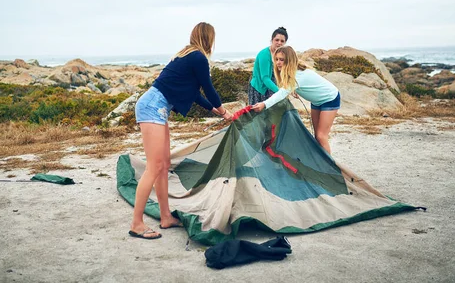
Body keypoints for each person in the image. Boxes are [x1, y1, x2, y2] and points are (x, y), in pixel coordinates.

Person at [129, 22, 233, 240]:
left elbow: (194, 93)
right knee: (154, 167)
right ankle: (137, 224)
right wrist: (224, 112)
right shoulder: (198, 58)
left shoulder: (187, 55)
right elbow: (209, 87)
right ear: (209, 38)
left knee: (164, 164)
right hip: (151, 108)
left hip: (157, 109)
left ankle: (166, 216)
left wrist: (214, 109)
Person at [252, 46, 340, 154]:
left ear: (289, 60)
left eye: (282, 60)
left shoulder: (298, 75)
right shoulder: (291, 74)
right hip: (317, 102)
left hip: (330, 98)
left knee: (321, 136)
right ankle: (322, 161)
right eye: (276, 59)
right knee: (316, 135)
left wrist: (264, 104)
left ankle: (330, 168)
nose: (278, 62)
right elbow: (287, 88)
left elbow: (281, 94)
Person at [248, 26, 288, 105]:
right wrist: (280, 92)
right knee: (259, 116)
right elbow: (265, 78)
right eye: (277, 40)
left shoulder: (282, 54)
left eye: (282, 41)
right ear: (272, 40)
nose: (279, 43)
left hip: (272, 87)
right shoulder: (265, 55)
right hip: (260, 89)